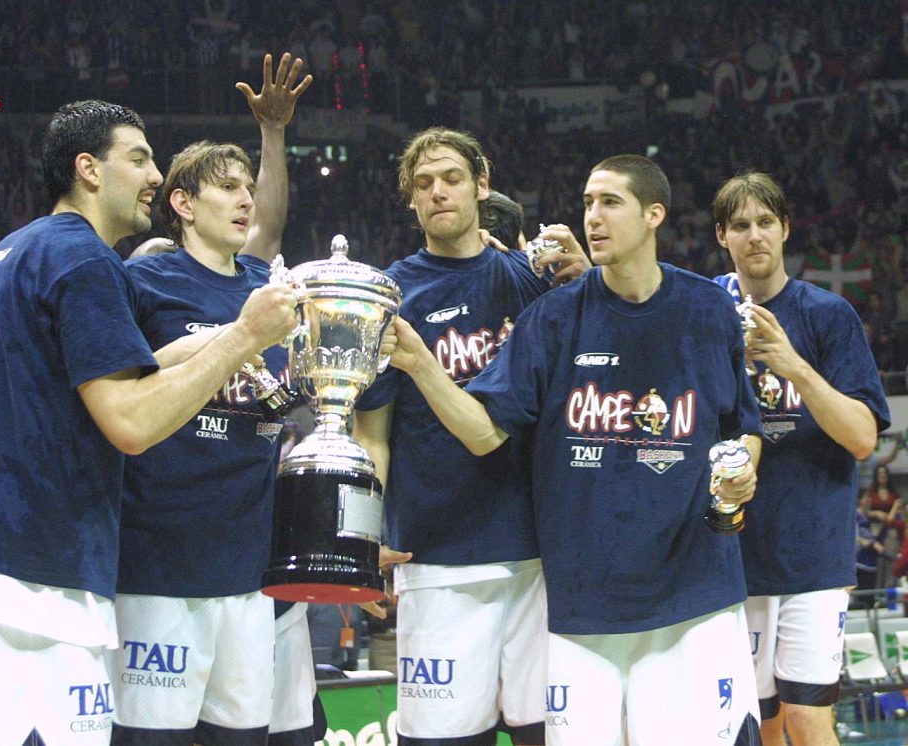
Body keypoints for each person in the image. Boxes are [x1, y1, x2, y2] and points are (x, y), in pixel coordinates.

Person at [0, 99, 299, 746]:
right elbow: (131, 422)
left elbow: (121, 369)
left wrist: (225, 335)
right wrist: (245, 338)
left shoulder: (17, 250)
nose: (153, 176)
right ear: (88, 168)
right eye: (139, 158)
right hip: (29, 582)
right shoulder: (86, 263)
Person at [380, 154, 764, 745]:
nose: (593, 217)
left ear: (653, 214)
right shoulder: (553, 316)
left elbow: (744, 428)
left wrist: (743, 474)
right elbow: (484, 432)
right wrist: (419, 364)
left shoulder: (707, 309)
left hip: (696, 590)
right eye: (587, 203)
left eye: (610, 202)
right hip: (583, 600)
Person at [352, 127, 587, 746]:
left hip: (536, 554)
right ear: (410, 201)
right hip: (436, 557)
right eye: (423, 184)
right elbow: (370, 434)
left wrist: (589, 278)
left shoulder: (533, 283)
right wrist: (363, 536)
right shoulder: (389, 296)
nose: (438, 193)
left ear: (482, 186)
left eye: (451, 178)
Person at [108, 53, 312, 745]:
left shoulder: (265, 284)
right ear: (183, 204)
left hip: (247, 567)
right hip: (159, 560)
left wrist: (274, 138)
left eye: (247, 187)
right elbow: (126, 390)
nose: (245, 198)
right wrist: (225, 339)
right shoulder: (145, 284)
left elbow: (273, 227)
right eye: (227, 187)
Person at [711, 171, 889, 746]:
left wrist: (794, 366)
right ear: (722, 236)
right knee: (756, 726)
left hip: (813, 554)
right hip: (732, 556)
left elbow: (863, 437)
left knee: (810, 720)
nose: (755, 235)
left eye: (766, 222)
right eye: (741, 225)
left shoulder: (827, 315)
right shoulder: (705, 310)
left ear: (786, 229)